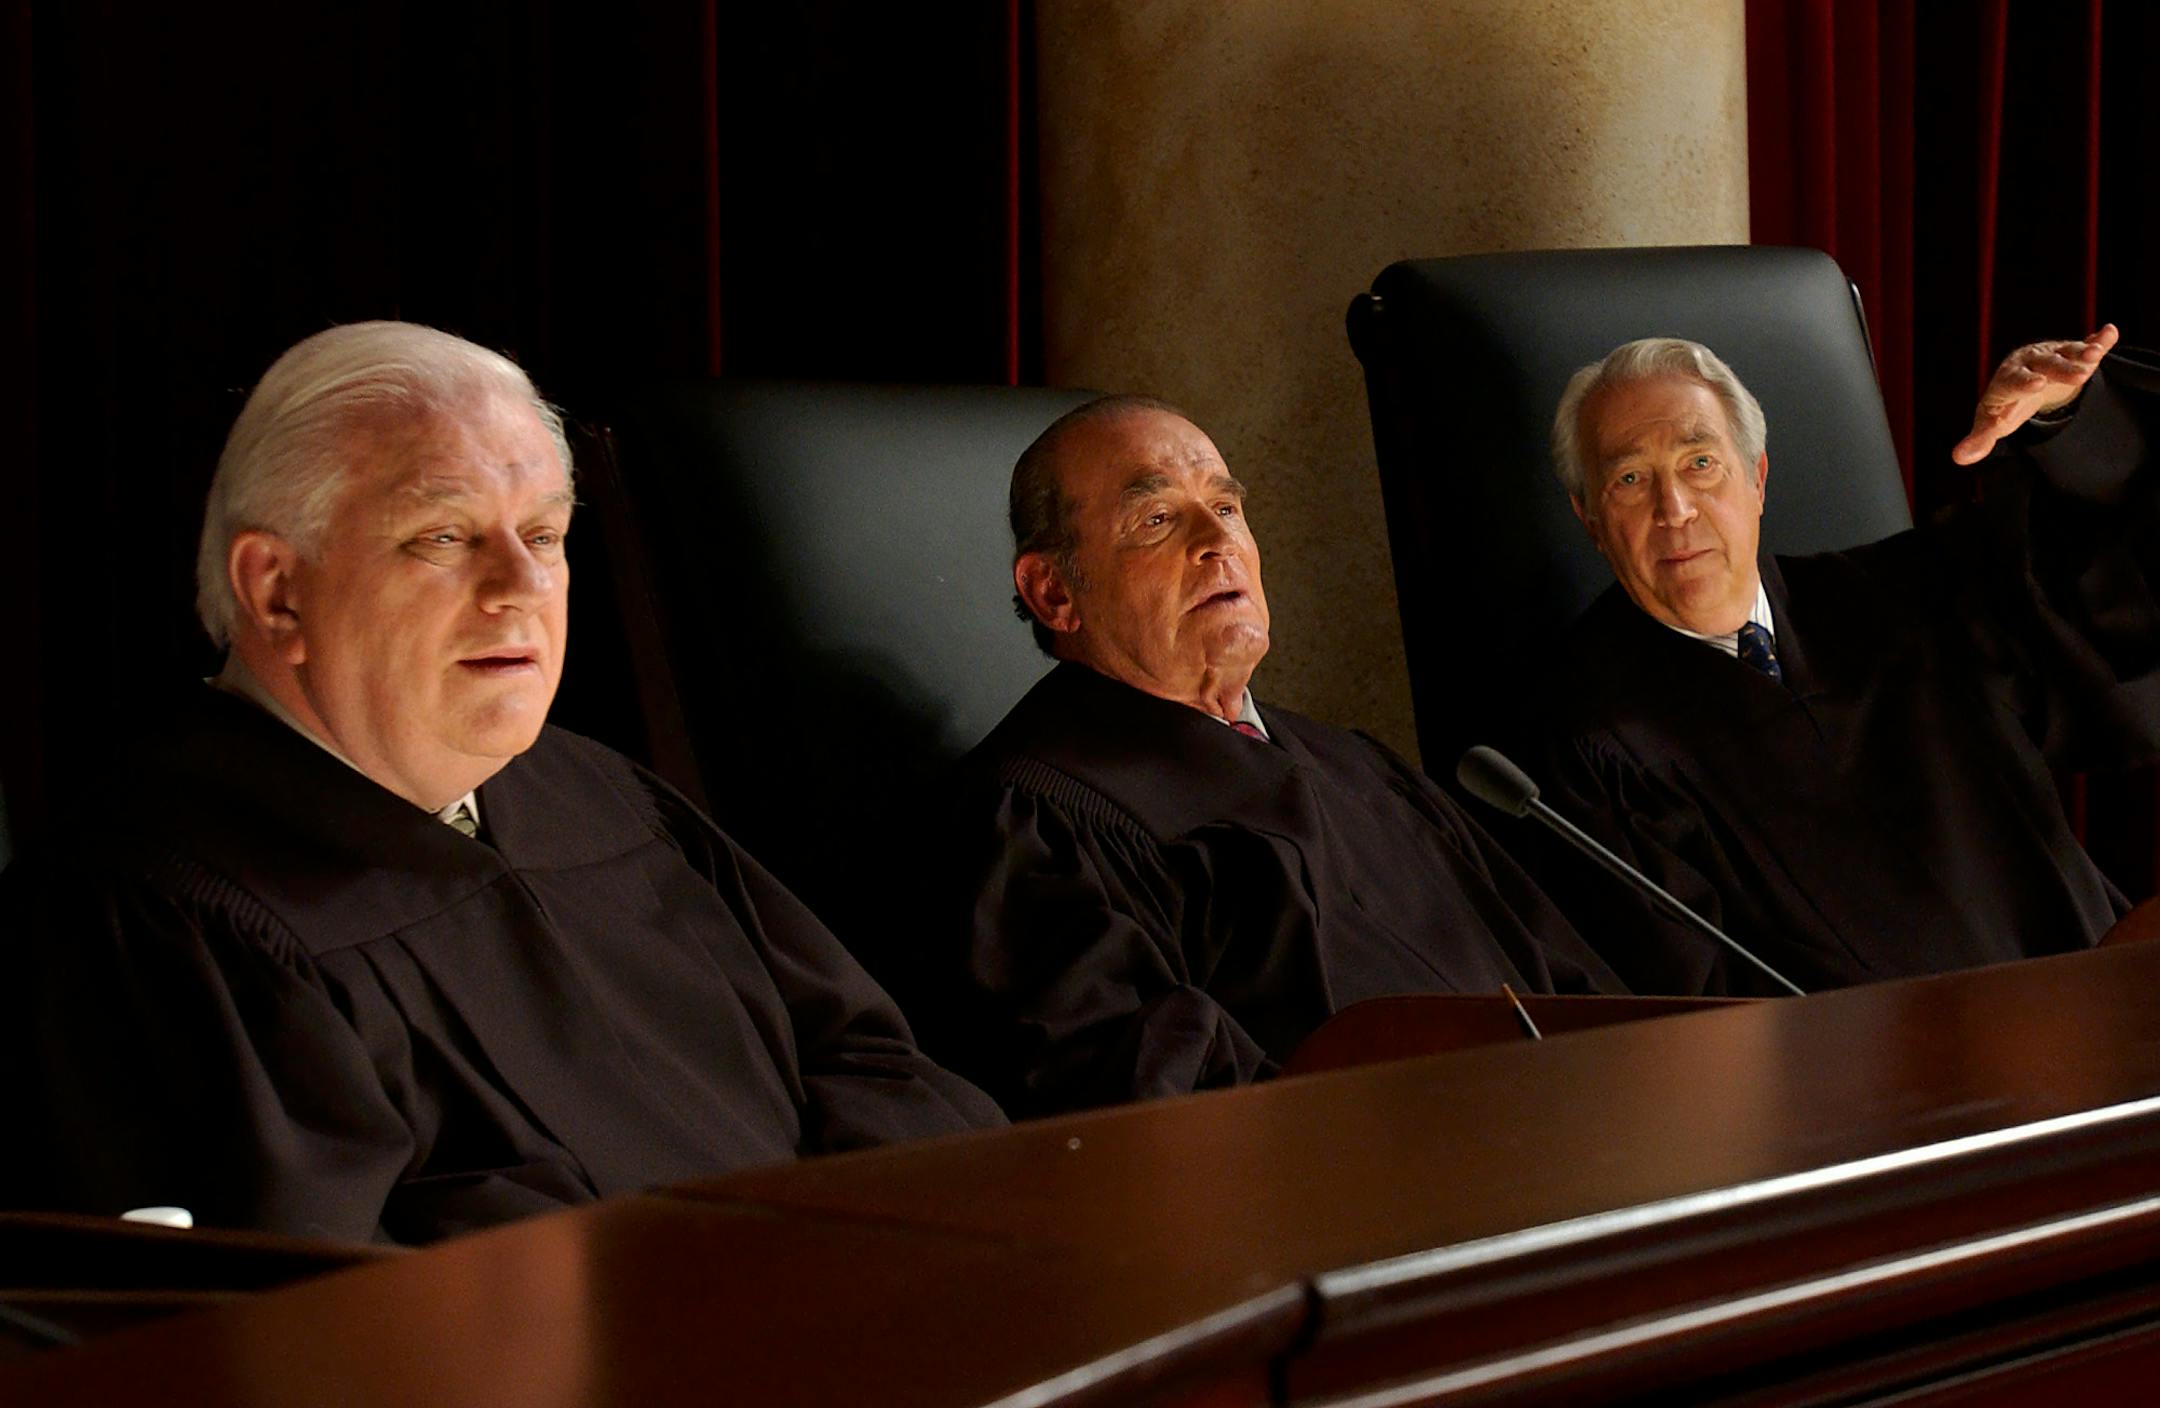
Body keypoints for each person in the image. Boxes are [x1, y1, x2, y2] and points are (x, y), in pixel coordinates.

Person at [0, 321, 1001, 1244]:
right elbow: (309, 1313)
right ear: (277, 591)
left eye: (546, 535)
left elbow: (869, 1061)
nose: (523, 587)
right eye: (444, 537)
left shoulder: (598, 795)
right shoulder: (158, 920)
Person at [933, 395, 1623, 1119]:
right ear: (1053, 592)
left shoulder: (1357, 765)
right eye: (1158, 519)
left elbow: (1579, 991)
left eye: (1226, 508)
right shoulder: (1033, 828)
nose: (1217, 541)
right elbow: (1157, 1110)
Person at [1534, 326, 2160, 995]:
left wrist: (2065, 425)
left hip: (2102, 1012)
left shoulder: (1914, 594)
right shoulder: (1585, 747)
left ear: (1757, 478)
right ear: (1590, 518)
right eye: (1630, 479)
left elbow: (2107, 626)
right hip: (1871, 1060)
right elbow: (1678, 1006)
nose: (1675, 509)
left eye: (1701, 463)